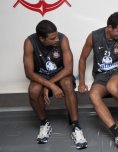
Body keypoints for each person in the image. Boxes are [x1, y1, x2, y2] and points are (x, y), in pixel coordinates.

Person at [78, 12, 118, 151]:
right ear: (109, 27)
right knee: (93, 95)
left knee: (112, 86)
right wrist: (82, 82)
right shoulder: (94, 36)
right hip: (101, 74)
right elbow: (83, 59)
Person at [23, 20, 87, 149]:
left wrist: (49, 85)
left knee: (68, 84)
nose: (56, 39)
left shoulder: (63, 39)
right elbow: (29, 73)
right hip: (41, 75)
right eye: (52, 38)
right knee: (34, 90)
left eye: (56, 36)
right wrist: (50, 85)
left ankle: (76, 126)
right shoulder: (30, 42)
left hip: (61, 73)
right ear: (41, 38)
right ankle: (44, 123)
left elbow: (68, 69)